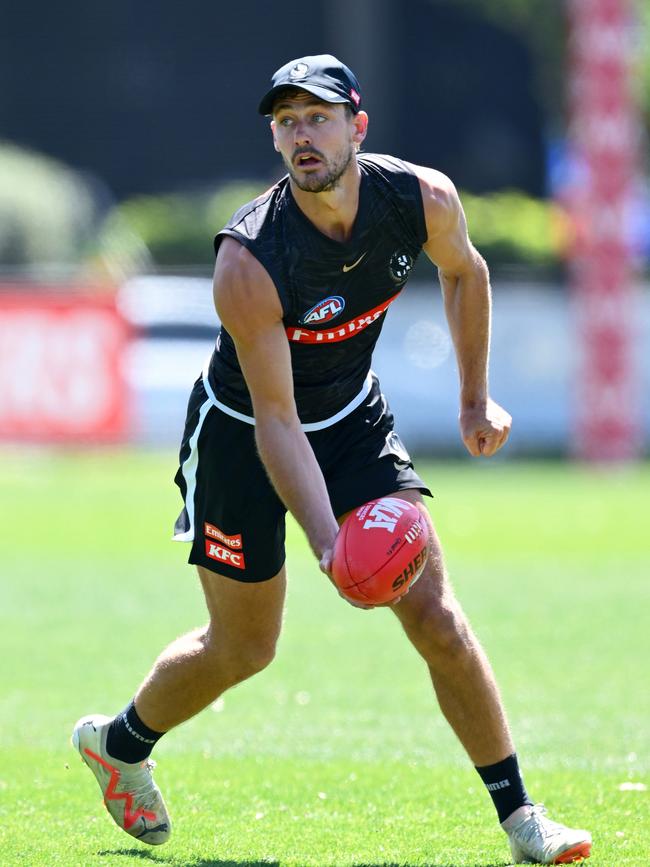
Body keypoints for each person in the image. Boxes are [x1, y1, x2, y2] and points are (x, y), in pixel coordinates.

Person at [72, 54, 592, 864]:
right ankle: (121, 742)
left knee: (437, 618)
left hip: (351, 416)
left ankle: (523, 818)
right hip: (242, 433)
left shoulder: (420, 198)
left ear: (358, 124)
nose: (301, 136)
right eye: (285, 123)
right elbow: (277, 420)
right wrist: (326, 539)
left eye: (316, 117)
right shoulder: (250, 259)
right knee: (245, 647)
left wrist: (474, 398)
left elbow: (467, 272)